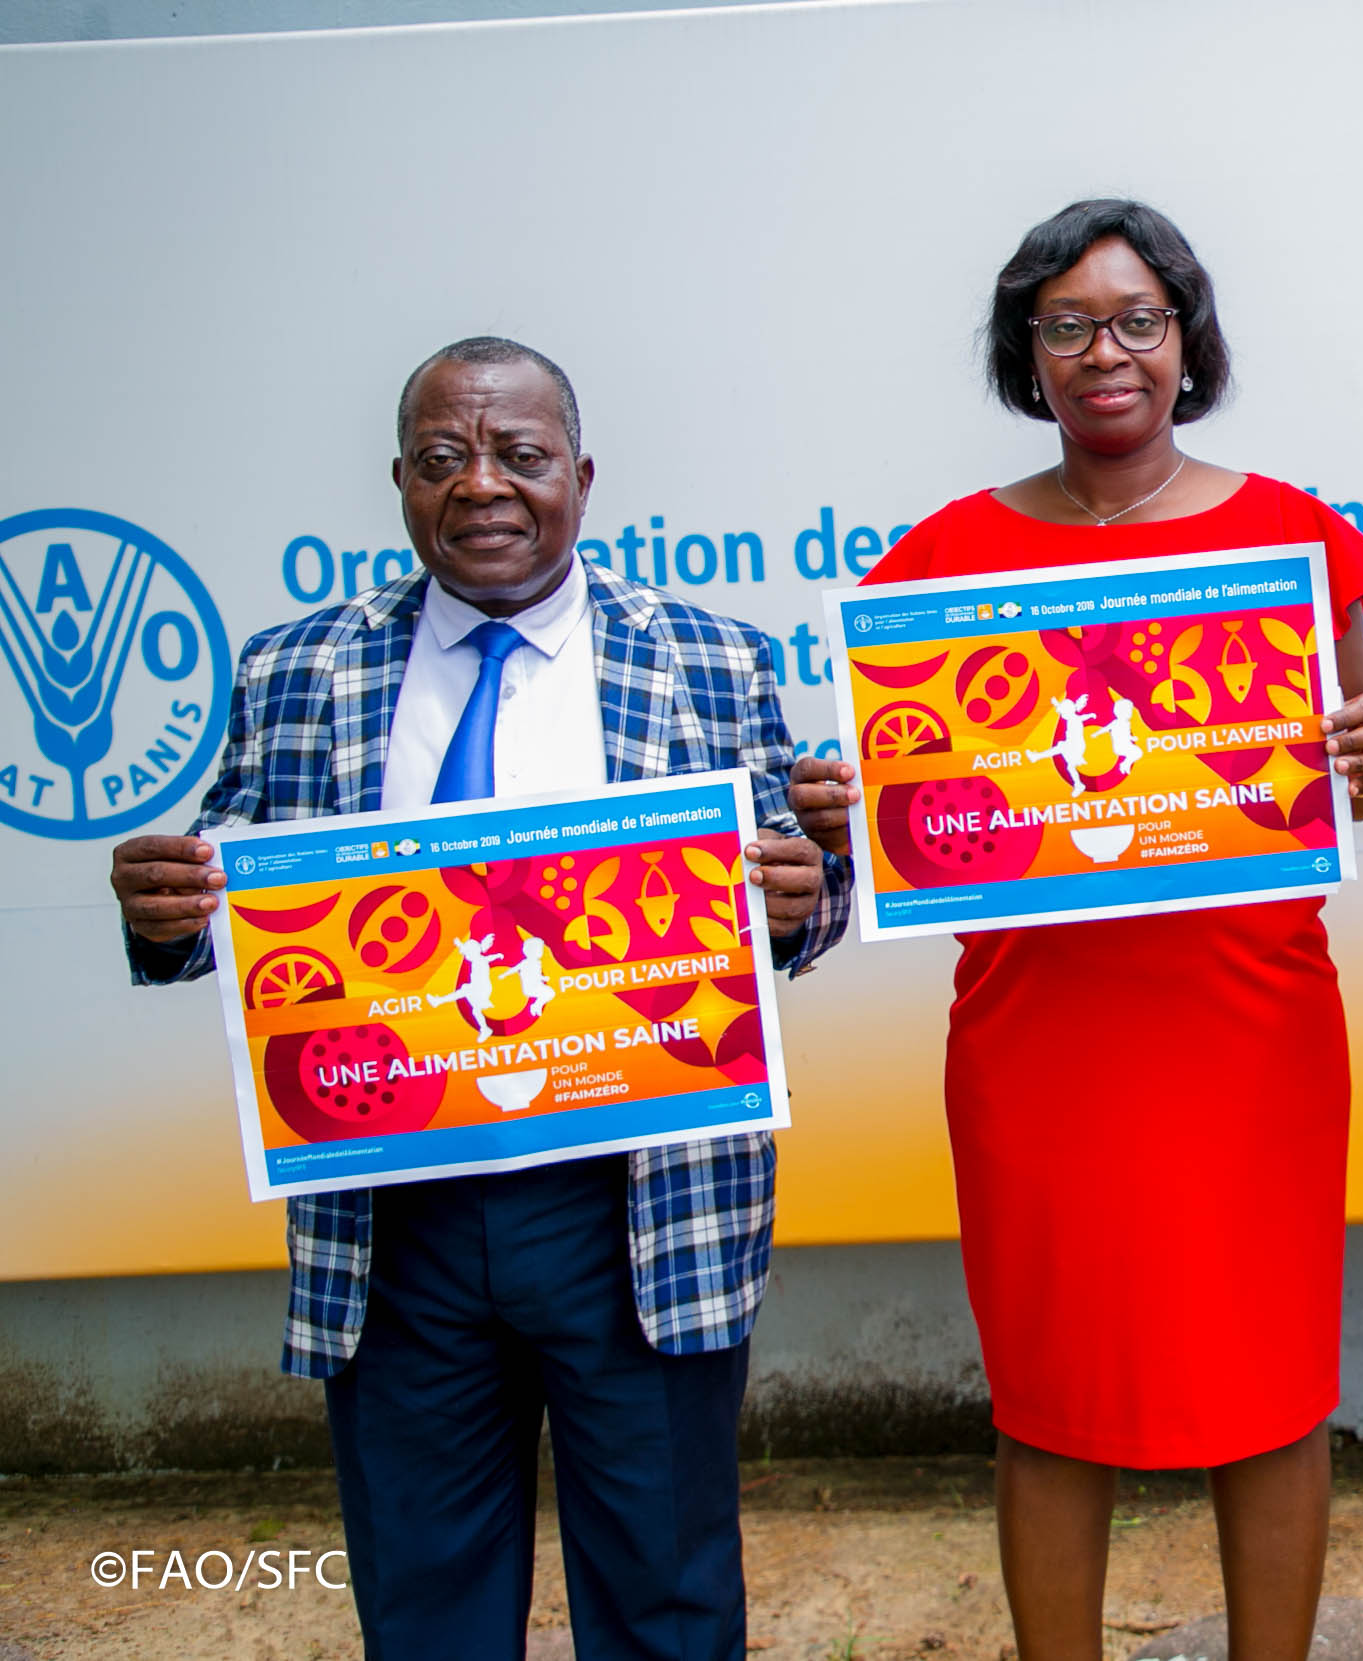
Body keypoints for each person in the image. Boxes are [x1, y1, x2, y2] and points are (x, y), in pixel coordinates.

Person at [107, 337, 851, 1661]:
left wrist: (802, 899)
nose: (483, 486)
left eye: (520, 455)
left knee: (670, 1599)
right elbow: (230, 892)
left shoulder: (712, 657)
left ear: (582, 477)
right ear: (401, 481)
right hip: (397, 1216)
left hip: (638, 1204)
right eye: (445, 458)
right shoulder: (297, 668)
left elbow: (799, 889)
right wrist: (166, 912)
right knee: (426, 1603)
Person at [797, 199, 1363, 1661]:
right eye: (1066, 324)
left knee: (1270, 1387)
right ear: (1028, 350)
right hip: (1039, 1038)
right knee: (1051, 1396)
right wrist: (844, 810)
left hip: (1247, 1029)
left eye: (1138, 319)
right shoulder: (944, 556)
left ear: (1188, 340)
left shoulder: (1290, 536)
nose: (1106, 351)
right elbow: (904, 809)